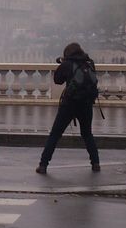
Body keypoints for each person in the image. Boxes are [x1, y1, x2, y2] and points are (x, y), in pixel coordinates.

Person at [36, 42, 101, 173]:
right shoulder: (89, 63)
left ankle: (43, 165)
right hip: (86, 104)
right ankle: (95, 163)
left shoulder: (67, 64)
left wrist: (62, 64)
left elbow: (57, 80)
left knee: (55, 134)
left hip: (69, 104)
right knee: (87, 134)